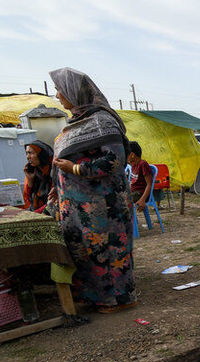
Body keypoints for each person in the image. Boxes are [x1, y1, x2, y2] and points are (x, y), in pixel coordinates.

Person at [48, 67, 136, 313]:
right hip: (76, 208)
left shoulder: (102, 121)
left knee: (107, 251)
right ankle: (94, 296)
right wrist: (57, 187)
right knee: (85, 251)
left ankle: (118, 300)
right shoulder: (76, 122)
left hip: (104, 207)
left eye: (59, 89)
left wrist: (76, 169)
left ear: (74, 92)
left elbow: (115, 160)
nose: (57, 95)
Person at [22, 141, 54, 212]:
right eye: (26, 153)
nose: (28, 157)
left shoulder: (54, 171)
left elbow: (54, 201)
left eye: (31, 153)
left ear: (41, 154)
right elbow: (27, 199)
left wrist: (34, 214)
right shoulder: (33, 172)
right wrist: (30, 181)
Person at [126, 141, 153, 210]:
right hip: (134, 193)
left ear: (132, 155)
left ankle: (129, 220)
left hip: (141, 194)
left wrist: (142, 199)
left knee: (122, 201)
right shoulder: (133, 166)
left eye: (126, 154)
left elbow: (149, 184)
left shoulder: (143, 164)